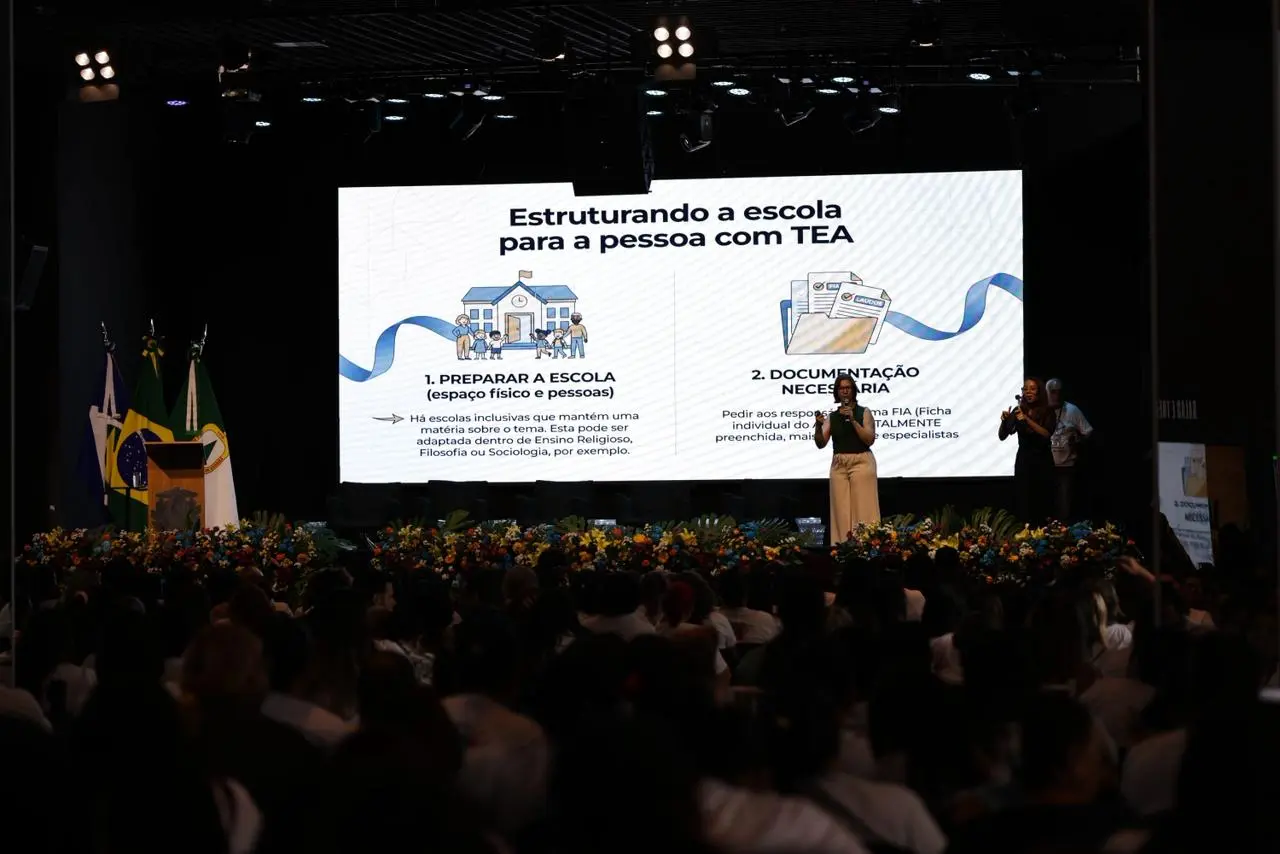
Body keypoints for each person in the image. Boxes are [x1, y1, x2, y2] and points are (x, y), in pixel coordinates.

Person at [815, 374, 879, 544]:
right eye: (841, 388)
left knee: (863, 508)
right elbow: (821, 443)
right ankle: (841, 548)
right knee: (841, 511)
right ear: (837, 392)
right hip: (839, 464)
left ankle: (866, 545)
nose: (845, 391)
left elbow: (869, 439)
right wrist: (818, 426)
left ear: (853, 390)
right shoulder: (833, 417)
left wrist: (852, 420)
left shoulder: (863, 412)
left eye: (848, 387)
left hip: (861, 461)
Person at [998, 377, 1057, 523]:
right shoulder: (1019, 410)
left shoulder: (1047, 411)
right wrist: (1004, 421)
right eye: (1025, 389)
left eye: (1032, 388)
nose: (1028, 392)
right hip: (1024, 460)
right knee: (1023, 499)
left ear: (1039, 392)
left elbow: (1046, 434)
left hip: (1042, 460)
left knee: (1042, 500)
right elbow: (1002, 435)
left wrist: (1026, 420)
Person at [1045, 378, 1093, 521]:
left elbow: (1088, 431)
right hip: (1045, 466)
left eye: (1059, 392)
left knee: (1064, 508)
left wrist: (1078, 440)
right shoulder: (1042, 410)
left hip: (1066, 467)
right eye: (1053, 392)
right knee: (1047, 507)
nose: (1056, 396)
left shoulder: (1072, 410)